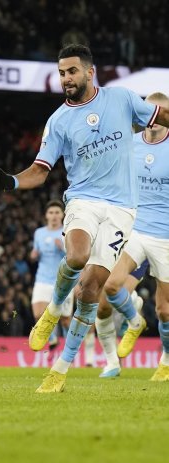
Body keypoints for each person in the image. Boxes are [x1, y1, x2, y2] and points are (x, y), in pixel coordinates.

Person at [0, 44, 169, 393]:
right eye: (61, 73)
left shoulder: (122, 99)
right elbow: (40, 170)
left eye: (71, 71)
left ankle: (60, 369)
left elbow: (161, 116)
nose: (66, 78)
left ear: (89, 72)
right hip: (84, 199)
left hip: (122, 210)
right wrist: (11, 181)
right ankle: (54, 309)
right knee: (78, 256)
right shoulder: (58, 120)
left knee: (91, 287)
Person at [95, 92, 169, 381]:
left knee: (164, 311)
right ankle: (133, 323)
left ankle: (165, 360)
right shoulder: (130, 145)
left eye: (160, 112)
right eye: (149, 111)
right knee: (109, 289)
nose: (153, 118)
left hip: (165, 238)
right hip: (134, 232)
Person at [30, 200, 73, 351]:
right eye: (51, 213)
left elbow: (75, 256)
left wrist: (62, 247)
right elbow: (34, 253)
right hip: (42, 279)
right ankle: (53, 338)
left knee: (65, 320)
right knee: (38, 314)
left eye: (57, 212)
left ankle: (69, 350)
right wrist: (34, 255)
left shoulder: (67, 232)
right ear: (46, 215)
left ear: (62, 215)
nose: (54, 215)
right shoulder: (39, 233)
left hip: (63, 280)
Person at [96, 261, 148, 377]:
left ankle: (131, 306)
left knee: (115, 292)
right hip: (110, 249)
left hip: (135, 250)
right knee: (102, 308)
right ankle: (113, 363)